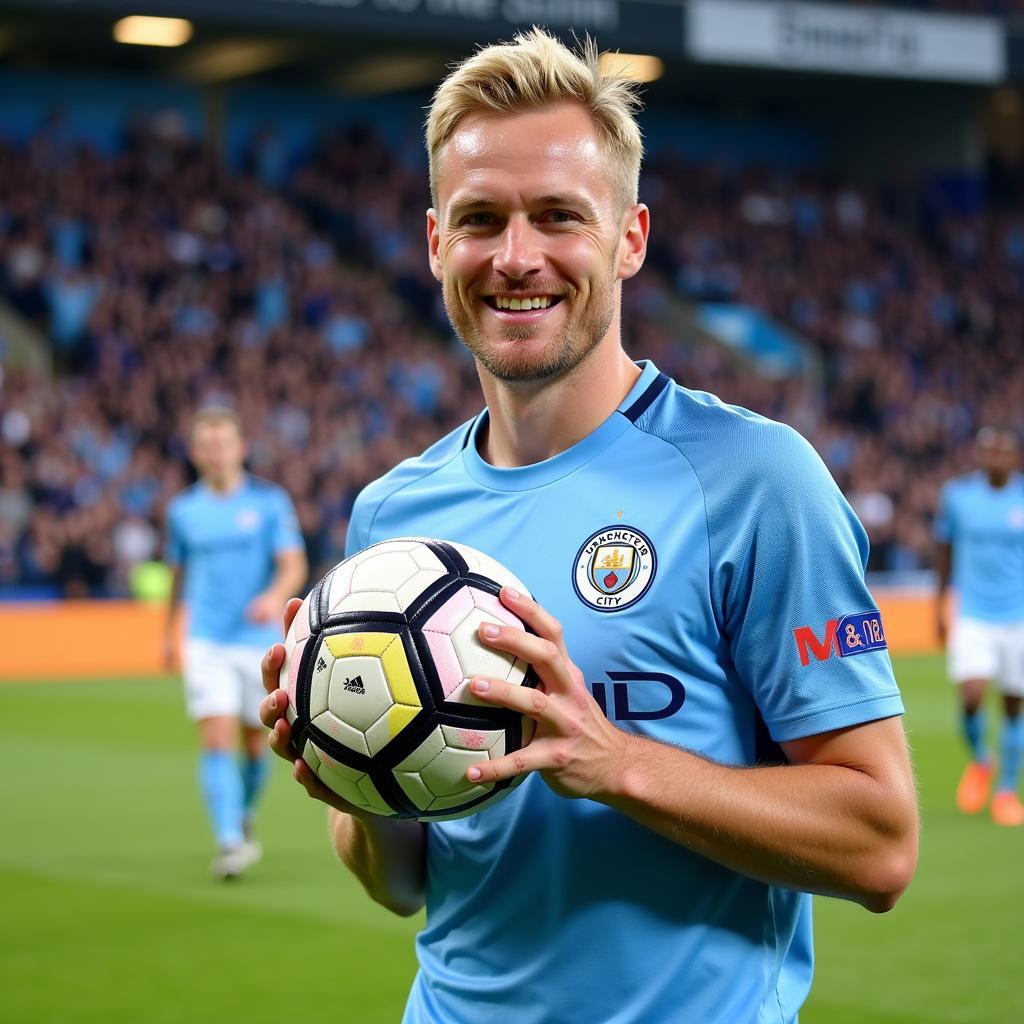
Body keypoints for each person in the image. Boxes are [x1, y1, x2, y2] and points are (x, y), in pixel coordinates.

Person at [259, 29, 918, 1023]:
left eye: (558, 216)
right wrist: (354, 773)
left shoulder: (751, 479)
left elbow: (879, 843)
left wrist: (615, 763)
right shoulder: (394, 517)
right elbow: (402, 884)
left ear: (629, 237)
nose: (516, 257)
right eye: (480, 219)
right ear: (437, 243)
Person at [165, 406, 307, 878]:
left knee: (255, 744)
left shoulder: (269, 503)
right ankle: (229, 841)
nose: (217, 453)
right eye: (207, 445)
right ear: (195, 453)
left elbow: (292, 564)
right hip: (206, 639)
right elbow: (179, 575)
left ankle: (242, 814)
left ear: (241, 448)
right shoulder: (184, 511)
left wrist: (272, 597)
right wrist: (170, 632)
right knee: (216, 738)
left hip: (256, 642)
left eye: (224, 443)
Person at [935, 426, 1024, 826]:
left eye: (1003, 451)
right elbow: (944, 551)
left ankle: (1006, 792)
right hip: (973, 612)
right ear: (980, 454)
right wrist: (939, 606)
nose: (996, 457)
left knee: (1012, 707)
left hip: (1018, 615)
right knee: (971, 695)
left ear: (1014, 456)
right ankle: (982, 761)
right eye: (988, 450)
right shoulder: (958, 497)